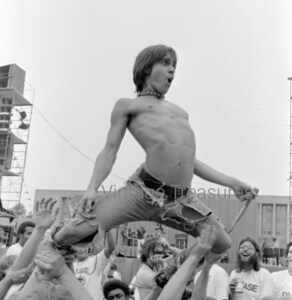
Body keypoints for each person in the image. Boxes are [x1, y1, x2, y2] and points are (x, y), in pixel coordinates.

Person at [53, 44, 258, 255]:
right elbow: (110, 151)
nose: (172, 70)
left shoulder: (180, 113)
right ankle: (48, 248)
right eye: (166, 63)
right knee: (72, 232)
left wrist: (233, 183)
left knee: (221, 243)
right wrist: (92, 188)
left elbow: (190, 162)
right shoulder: (127, 106)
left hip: (180, 200)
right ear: (147, 68)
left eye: (174, 65)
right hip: (142, 192)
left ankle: (170, 270)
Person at [73, 230, 115, 300]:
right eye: (78, 247)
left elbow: (111, 247)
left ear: (89, 248)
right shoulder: (71, 266)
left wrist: (108, 229)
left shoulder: (96, 260)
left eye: (84, 246)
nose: (81, 250)